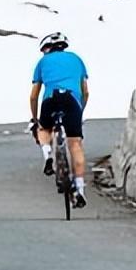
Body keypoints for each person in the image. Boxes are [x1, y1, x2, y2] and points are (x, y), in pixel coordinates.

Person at [28, 31, 90, 208]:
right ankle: (79, 189)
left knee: (44, 128)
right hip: (72, 102)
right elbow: (86, 92)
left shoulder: (42, 62)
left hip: (50, 100)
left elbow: (34, 96)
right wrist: (80, 111)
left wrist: (35, 119)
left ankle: (48, 154)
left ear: (46, 49)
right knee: (75, 145)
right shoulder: (77, 59)